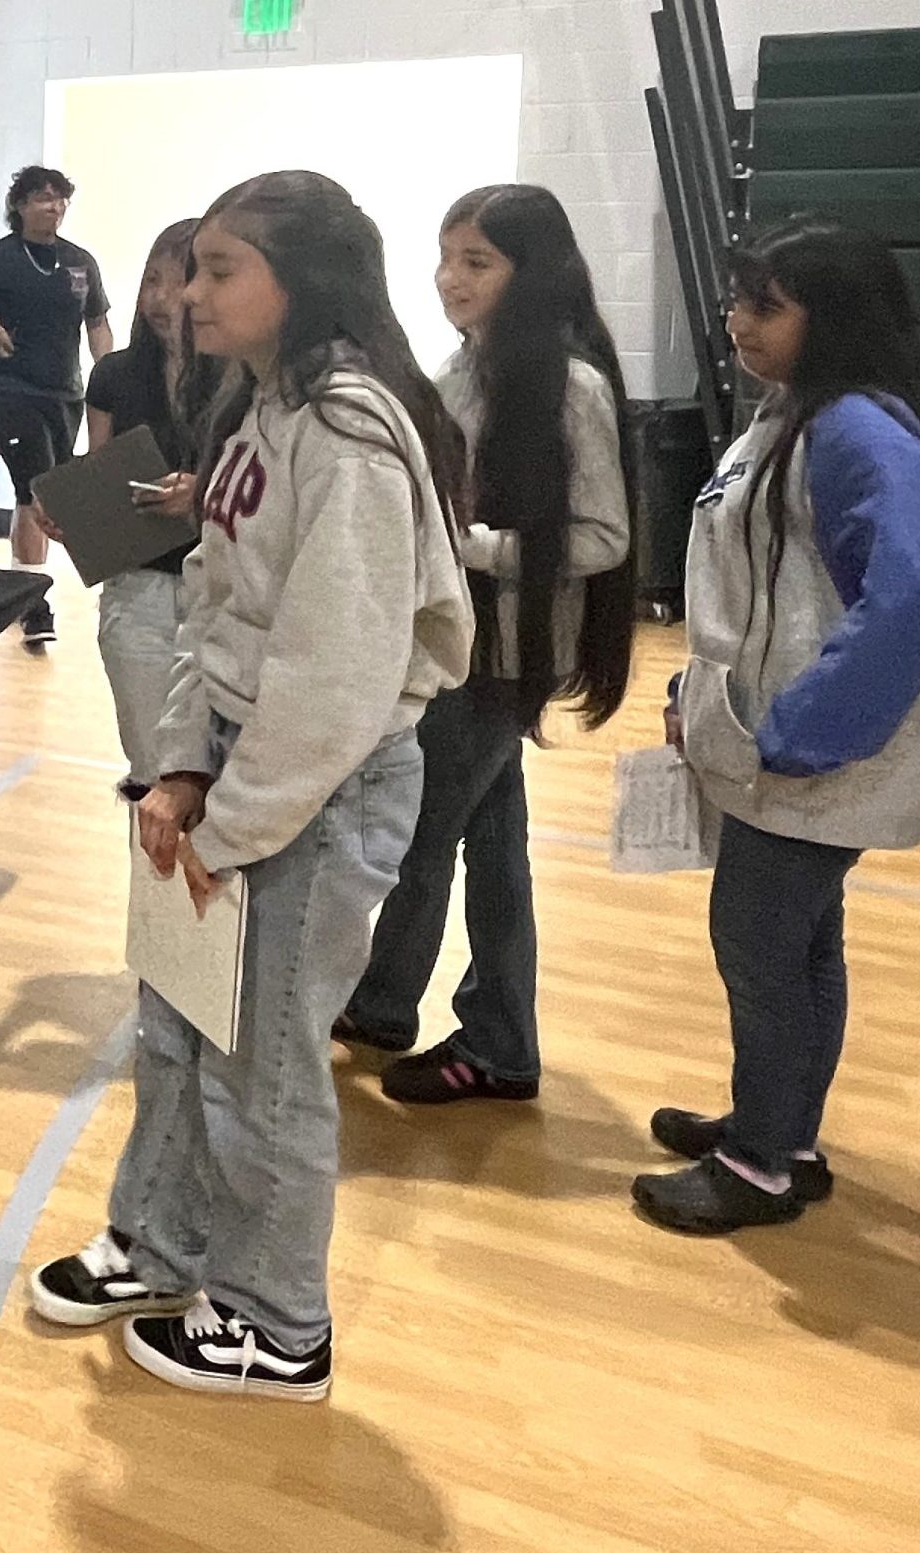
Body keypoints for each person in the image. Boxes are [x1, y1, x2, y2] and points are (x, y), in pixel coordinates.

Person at [25, 171, 472, 1402]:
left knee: (262, 1065)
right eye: (190, 267)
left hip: (311, 788)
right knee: (176, 1022)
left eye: (221, 269)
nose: (185, 291)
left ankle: (280, 1322)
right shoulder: (261, 407)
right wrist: (175, 768)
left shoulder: (347, 429)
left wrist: (232, 821)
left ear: (300, 282)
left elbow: (334, 676)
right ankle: (163, 1242)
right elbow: (209, 614)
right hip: (228, 761)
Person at [634, 215, 920, 1234]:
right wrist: (698, 704)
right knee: (797, 947)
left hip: (807, 758)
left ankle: (757, 1164)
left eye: (762, 304)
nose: (735, 319)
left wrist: (794, 732)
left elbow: (907, 592)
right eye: (736, 297)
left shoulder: (857, 430)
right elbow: (744, 596)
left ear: (832, 318)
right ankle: (778, 1128)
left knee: (757, 948)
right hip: (775, 748)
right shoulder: (798, 410)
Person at [332, 185, 635, 1105]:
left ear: (529, 272)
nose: (449, 278)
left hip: (493, 658)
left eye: (477, 261)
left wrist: (465, 545)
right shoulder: (462, 365)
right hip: (457, 648)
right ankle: (496, 1036)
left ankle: (387, 1005)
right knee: (494, 846)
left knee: (420, 838)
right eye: (446, 255)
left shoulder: (568, 387)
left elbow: (604, 536)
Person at [62, 218, 218, 796]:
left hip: (221, 590)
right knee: (152, 769)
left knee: (213, 773)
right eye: (151, 280)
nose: (160, 299)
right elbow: (97, 471)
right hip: (138, 589)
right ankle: (153, 888)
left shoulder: (245, 379)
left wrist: (202, 493)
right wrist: (72, 511)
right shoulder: (116, 373)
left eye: (178, 283)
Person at [0, 165, 113, 648]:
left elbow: (97, 324)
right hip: (12, 391)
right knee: (36, 489)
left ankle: (17, 588)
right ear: (21, 205)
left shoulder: (79, 262)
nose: (55, 207)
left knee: (47, 490)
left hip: (64, 393)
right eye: (45, 198)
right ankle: (33, 602)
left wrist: (111, 376)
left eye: (61, 199)